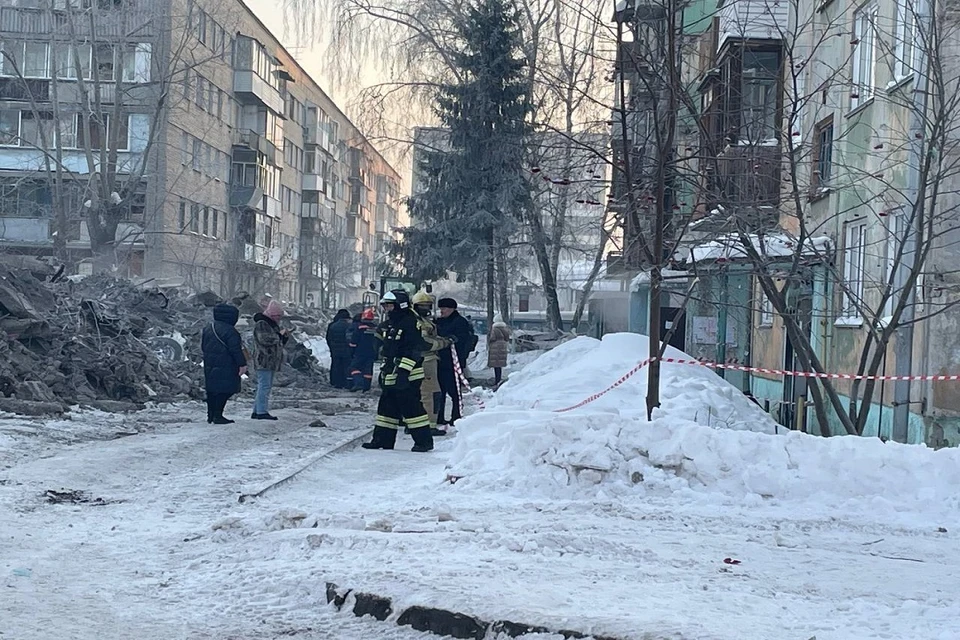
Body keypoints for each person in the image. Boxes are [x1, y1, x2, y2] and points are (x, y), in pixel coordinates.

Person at [362, 290, 434, 453]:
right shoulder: (392, 323)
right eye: (385, 306)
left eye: (389, 305)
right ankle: (382, 440)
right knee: (387, 408)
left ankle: (424, 441)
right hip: (391, 372)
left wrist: (403, 372)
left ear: (399, 305)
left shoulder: (410, 323)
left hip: (408, 374)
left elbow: (413, 349)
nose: (386, 309)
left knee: (412, 409)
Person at [412, 291, 452, 436]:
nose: (425, 308)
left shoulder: (423, 320)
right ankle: (429, 425)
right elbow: (425, 343)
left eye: (427, 305)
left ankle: (417, 424)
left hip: (426, 361)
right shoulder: (418, 322)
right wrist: (445, 342)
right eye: (422, 305)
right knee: (431, 393)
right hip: (426, 361)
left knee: (421, 393)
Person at [201, 303, 247, 425]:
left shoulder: (208, 328)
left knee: (212, 390)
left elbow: (203, 347)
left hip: (210, 363)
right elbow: (235, 350)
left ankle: (210, 415)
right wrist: (242, 364)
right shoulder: (231, 331)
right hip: (226, 364)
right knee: (226, 389)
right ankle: (218, 415)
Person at [435, 297, 477, 427]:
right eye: (440, 308)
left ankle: (456, 416)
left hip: (454, 362)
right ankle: (439, 416)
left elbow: (464, 341)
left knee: (454, 391)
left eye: (444, 309)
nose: (442, 311)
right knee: (439, 391)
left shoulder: (460, 323)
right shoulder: (439, 321)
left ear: (452, 309)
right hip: (440, 361)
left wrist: (458, 355)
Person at [251, 299, 289, 420]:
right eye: (278, 316)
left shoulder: (271, 324)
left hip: (270, 361)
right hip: (264, 360)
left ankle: (257, 411)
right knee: (264, 386)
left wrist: (284, 337)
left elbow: (279, 342)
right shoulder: (262, 324)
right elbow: (265, 339)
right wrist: (279, 335)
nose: (279, 318)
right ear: (272, 314)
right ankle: (261, 412)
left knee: (264, 386)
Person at [349, 308, 378, 392]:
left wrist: (352, 351)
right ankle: (366, 387)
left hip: (360, 352)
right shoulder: (375, 329)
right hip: (372, 352)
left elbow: (353, 342)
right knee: (368, 370)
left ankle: (359, 383)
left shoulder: (359, 328)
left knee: (353, 367)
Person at [325, 309, 352, 389]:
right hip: (346, 350)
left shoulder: (332, 325)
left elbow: (328, 338)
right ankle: (345, 383)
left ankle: (335, 382)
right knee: (346, 366)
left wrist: (331, 347)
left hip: (335, 350)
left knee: (335, 365)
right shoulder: (349, 326)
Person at [487, 314, 511, 388]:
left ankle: (497, 380)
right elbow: (507, 338)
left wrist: (489, 340)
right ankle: (499, 379)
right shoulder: (505, 328)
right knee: (499, 365)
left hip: (495, 347)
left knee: (496, 365)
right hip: (503, 346)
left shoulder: (494, 329)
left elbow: (492, 338)